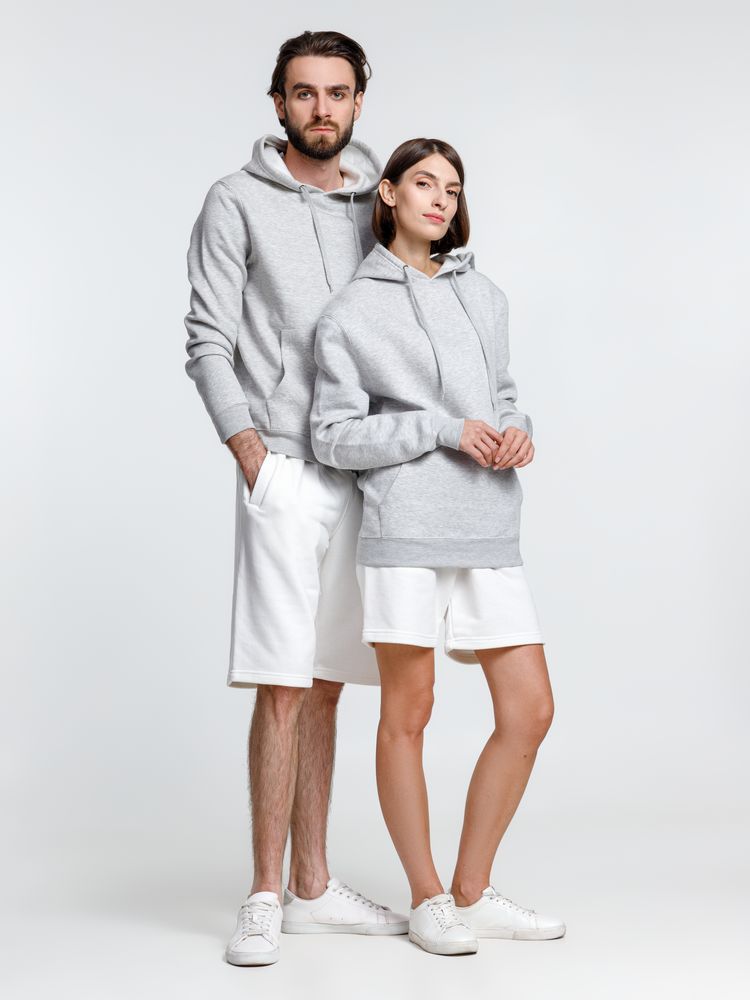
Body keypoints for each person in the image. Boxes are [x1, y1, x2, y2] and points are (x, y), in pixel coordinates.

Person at [183, 31, 408, 967]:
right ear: (277, 102)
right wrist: (252, 454)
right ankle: (266, 892)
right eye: (305, 93)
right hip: (281, 465)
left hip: (362, 471)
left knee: (326, 683)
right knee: (281, 682)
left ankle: (313, 883)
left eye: (338, 93)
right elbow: (207, 336)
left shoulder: (378, 204)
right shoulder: (234, 201)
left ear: (359, 101)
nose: (322, 109)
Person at [310, 138, 565, 956]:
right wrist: (442, 430)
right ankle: (428, 899)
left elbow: (506, 395)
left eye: (452, 188)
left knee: (529, 711)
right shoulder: (352, 312)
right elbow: (332, 436)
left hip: (488, 522)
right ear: (387, 193)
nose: (440, 199)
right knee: (409, 714)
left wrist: (517, 430)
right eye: (424, 183)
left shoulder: (485, 295)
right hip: (406, 529)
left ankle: (472, 890)